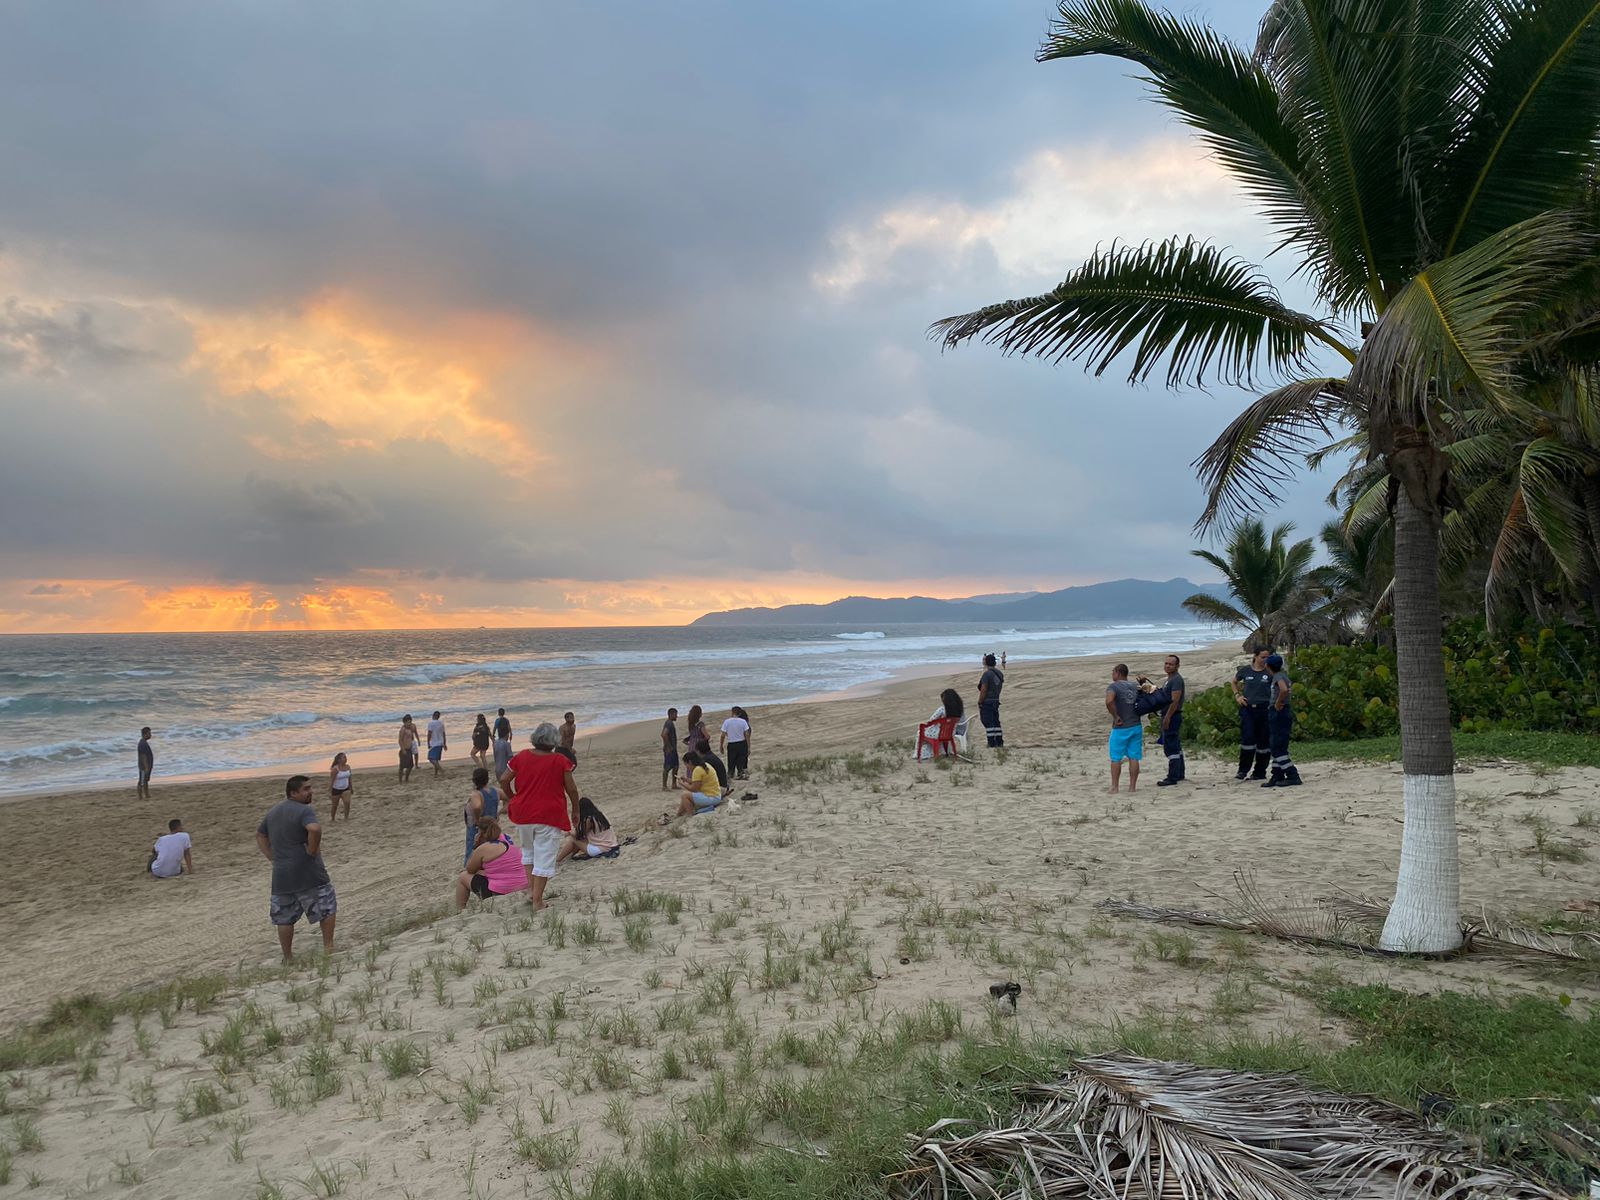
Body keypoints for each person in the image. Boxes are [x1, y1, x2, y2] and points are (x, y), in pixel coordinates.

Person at [499, 722, 581, 910]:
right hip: (548, 814)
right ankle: (537, 901)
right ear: (554, 741)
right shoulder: (560, 760)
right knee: (544, 855)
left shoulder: (522, 756)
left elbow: (504, 779)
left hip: (523, 813)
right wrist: (575, 810)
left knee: (528, 852)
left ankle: (531, 891)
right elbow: (572, 789)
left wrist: (512, 798)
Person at [256, 775, 336, 961]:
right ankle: (328, 948)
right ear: (293, 793)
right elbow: (315, 829)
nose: (311, 791)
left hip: (282, 874)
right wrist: (313, 850)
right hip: (308, 871)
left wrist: (271, 856)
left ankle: (288, 956)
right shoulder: (304, 810)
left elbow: (260, 835)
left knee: (284, 916)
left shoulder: (274, 811)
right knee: (325, 906)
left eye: (310, 788)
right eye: (306, 789)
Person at [455, 816, 528, 908]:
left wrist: (475, 846)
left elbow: (470, 869)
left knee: (463, 876)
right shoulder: (507, 839)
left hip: (502, 891)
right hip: (522, 885)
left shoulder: (484, 848)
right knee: (484, 872)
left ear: (480, 832)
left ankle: (460, 910)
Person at [1232, 649, 1275, 781]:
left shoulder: (1270, 672)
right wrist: (1237, 695)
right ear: (1255, 657)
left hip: (1265, 709)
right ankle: (1242, 770)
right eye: (1263, 657)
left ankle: (1259, 771)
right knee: (1248, 739)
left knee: (1263, 742)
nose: (1265, 660)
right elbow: (1234, 682)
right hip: (1248, 709)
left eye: (1268, 657)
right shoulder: (1245, 670)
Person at [1263, 654, 1302, 788]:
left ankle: (1292, 775)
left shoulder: (1278, 677)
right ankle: (1277, 775)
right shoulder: (1282, 675)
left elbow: (1284, 690)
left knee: (1277, 746)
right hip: (1282, 712)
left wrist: (1278, 702)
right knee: (1277, 746)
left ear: (1268, 666)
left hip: (1279, 712)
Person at [1105, 664, 1142, 793]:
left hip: (1121, 727)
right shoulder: (1134, 686)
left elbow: (1109, 701)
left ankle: (1115, 787)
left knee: (1116, 757)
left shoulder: (1113, 686)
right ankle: (1132, 787)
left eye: (1113, 672)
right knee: (1134, 757)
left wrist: (1115, 716)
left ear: (1117, 673)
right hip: (1136, 724)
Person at [1155, 655, 1186, 787]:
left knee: (1171, 746)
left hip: (1173, 715)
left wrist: (1167, 717)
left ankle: (1172, 777)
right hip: (1168, 714)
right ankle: (1179, 773)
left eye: (1171, 664)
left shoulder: (1176, 680)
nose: (1167, 666)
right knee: (1176, 745)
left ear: (1177, 666)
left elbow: (1175, 700)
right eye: (1166, 663)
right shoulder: (1169, 679)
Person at [684, 705, 730, 794]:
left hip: (691, 745)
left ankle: (693, 781)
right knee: (699, 764)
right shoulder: (700, 724)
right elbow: (706, 736)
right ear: (699, 714)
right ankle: (697, 782)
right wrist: (705, 740)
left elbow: (691, 736)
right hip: (699, 744)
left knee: (691, 764)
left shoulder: (691, 724)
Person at [558, 797, 620, 862]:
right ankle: (569, 856)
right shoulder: (600, 815)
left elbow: (578, 835)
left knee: (573, 839)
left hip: (601, 849)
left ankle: (558, 859)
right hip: (611, 845)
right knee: (578, 840)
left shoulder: (589, 820)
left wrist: (568, 832)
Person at [464, 766, 501, 863]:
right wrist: (499, 813)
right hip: (492, 825)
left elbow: (477, 807)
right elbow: (510, 799)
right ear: (487, 779)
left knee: (473, 850)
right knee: (491, 850)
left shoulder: (476, 794)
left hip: (478, 827)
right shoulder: (496, 791)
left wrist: (477, 820)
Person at [676, 750, 723, 816]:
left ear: (690, 762)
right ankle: (679, 813)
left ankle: (690, 814)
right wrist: (686, 780)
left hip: (712, 797)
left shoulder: (697, 770)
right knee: (687, 794)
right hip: (715, 795)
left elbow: (694, 788)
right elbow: (698, 782)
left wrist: (682, 784)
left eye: (686, 765)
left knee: (685, 795)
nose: (687, 767)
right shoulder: (705, 765)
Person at [978, 654, 1005, 748]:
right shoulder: (999, 673)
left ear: (986, 662)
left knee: (988, 722)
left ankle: (991, 742)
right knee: (996, 721)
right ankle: (999, 741)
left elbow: (984, 689)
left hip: (987, 701)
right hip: (996, 700)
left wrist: (980, 701)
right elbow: (999, 687)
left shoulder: (987, 674)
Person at [720, 707, 752, 780]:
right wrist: (748, 746)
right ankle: (740, 772)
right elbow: (747, 734)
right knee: (741, 759)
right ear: (739, 713)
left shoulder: (727, 722)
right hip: (742, 742)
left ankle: (731, 773)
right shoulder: (743, 721)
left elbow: (722, 735)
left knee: (731, 759)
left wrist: (721, 745)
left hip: (732, 743)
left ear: (732, 712)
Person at [328, 752, 353, 821]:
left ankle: (346, 818)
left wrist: (351, 787)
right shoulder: (335, 769)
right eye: (343, 757)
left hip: (346, 788)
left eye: (345, 757)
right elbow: (331, 781)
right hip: (336, 789)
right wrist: (330, 792)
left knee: (347, 802)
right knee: (335, 806)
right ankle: (333, 818)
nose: (345, 759)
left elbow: (349, 778)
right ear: (339, 760)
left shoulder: (348, 767)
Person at [661, 708, 680, 791]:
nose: (677, 716)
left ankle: (674, 784)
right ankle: (664, 786)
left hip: (673, 749)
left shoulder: (670, 723)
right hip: (670, 750)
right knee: (667, 767)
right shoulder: (669, 723)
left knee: (676, 766)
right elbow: (663, 734)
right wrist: (668, 746)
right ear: (671, 714)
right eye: (675, 714)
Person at [492, 708, 514, 779]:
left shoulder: (497, 720)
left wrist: (493, 735)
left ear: (498, 713)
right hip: (505, 735)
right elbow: (509, 728)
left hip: (500, 735)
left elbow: (495, 728)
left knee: (500, 750)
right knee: (506, 749)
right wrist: (510, 735)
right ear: (504, 713)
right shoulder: (506, 720)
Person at [398, 716, 419, 782]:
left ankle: (406, 778)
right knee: (402, 767)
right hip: (404, 750)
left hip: (409, 749)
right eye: (408, 722)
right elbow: (400, 740)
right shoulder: (403, 730)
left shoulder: (410, 729)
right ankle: (400, 780)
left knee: (410, 766)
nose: (409, 724)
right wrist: (403, 749)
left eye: (410, 722)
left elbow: (413, 735)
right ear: (404, 722)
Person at [426, 711, 447, 776]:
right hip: (440, 742)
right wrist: (444, 743)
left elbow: (429, 733)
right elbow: (444, 734)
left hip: (434, 743)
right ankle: (436, 773)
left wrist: (428, 742)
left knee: (431, 758)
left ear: (433, 715)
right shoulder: (441, 723)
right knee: (436, 759)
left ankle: (441, 770)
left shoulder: (431, 723)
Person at [137, 727, 154, 796]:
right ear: (144, 734)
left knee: (145, 780)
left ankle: (146, 794)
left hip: (146, 765)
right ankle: (140, 796)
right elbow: (143, 756)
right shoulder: (142, 744)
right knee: (141, 781)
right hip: (143, 766)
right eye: (149, 733)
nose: (150, 735)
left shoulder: (144, 743)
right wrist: (146, 767)